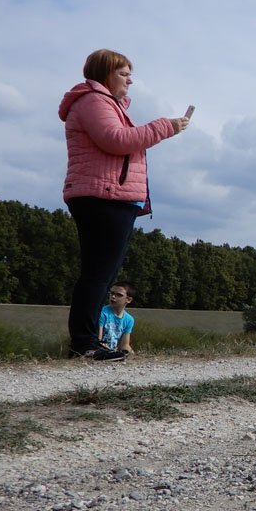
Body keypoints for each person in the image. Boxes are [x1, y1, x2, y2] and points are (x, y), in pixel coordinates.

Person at [61, 49, 190, 360]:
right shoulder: (94, 101)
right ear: (105, 73)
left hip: (109, 197)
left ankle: (86, 344)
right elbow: (116, 139)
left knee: (99, 273)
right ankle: (85, 345)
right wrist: (165, 126)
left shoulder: (105, 104)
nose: (130, 80)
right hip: (103, 197)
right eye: (123, 73)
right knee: (98, 274)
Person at [99, 283, 136, 356]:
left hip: (112, 353)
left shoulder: (129, 320)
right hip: (100, 351)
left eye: (119, 295)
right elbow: (98, 340)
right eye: (112, 293)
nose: (113, 297)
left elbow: (124, 345)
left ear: (128, 299)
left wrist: (134, 357)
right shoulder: (102, 313)